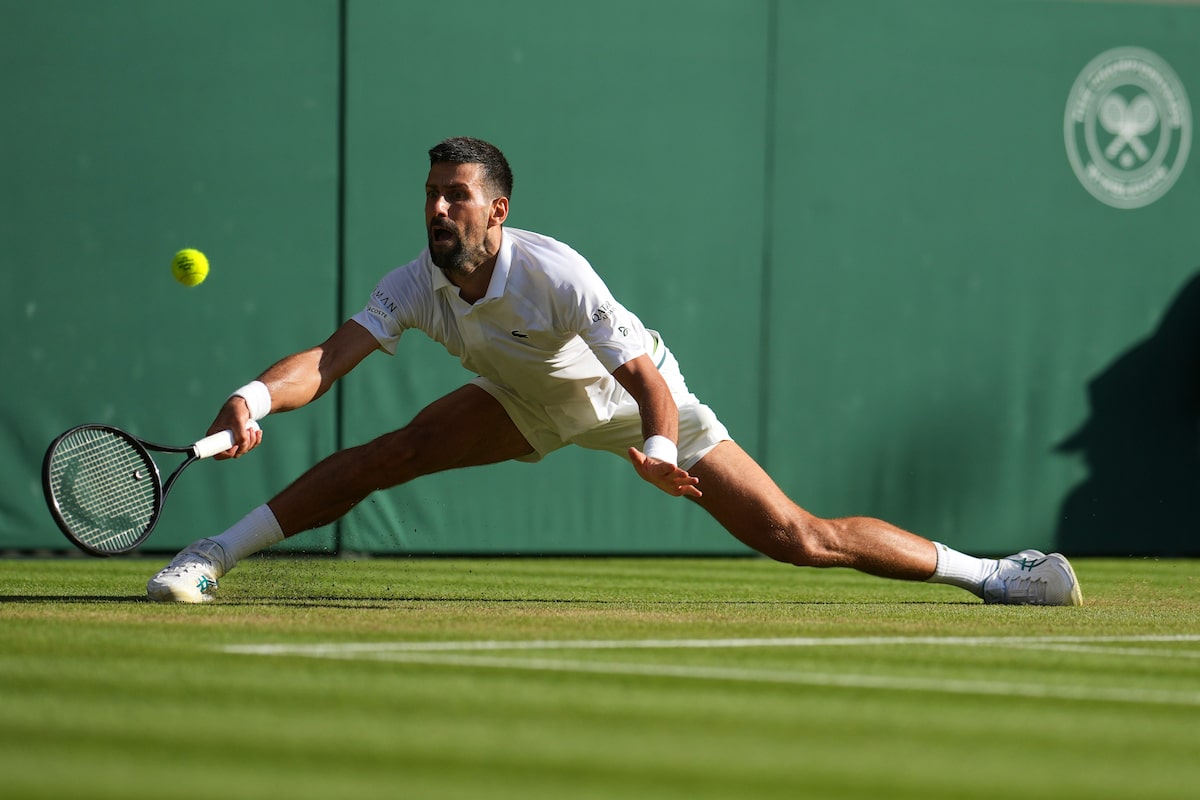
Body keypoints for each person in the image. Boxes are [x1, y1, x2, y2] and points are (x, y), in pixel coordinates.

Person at [147, 136, 1082, 606]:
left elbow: (646, 382)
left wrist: (661, 450)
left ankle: (995, 575)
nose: (437, 209)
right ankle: (209, 556)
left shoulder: (556, 273)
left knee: (799, 536)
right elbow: (329, 359)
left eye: (455, 195)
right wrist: (255, 397)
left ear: (496, 210)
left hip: (636, 404)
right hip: (524, 402)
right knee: (388, 454)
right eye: (430, 194)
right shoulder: (414, 284)